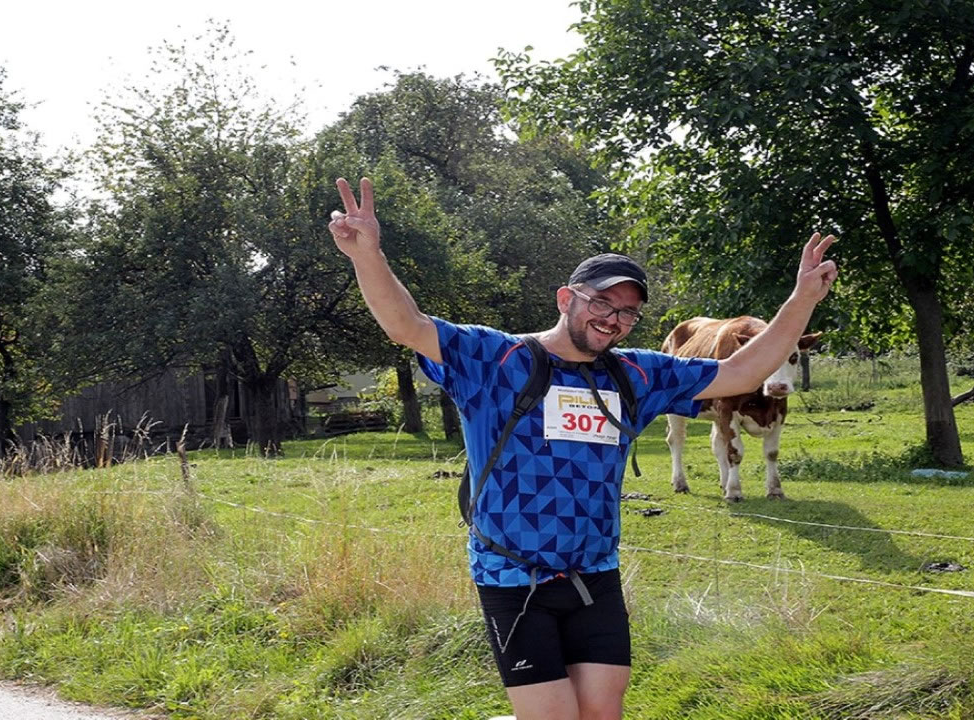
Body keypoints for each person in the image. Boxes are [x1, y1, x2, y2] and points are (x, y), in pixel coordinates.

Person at [328, 176, 837, 720]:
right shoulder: (495, 359)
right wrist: (368, 256)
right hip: (511, 576)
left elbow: (741, 371)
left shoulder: (637, 374)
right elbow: (406, 326)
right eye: (602, 302)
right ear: (566, 298)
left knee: (601, 715)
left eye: (627, 312)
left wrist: (802, 299)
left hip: (594, 575)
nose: (613, 319)